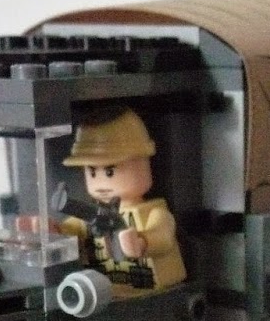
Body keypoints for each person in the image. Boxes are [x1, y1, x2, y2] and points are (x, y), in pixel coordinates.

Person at [57, 108, 186, 295]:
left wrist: (142, 243)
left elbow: (163, 237)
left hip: (154, 291)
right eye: (92, 171)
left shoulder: (154, 212)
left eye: (110, 172)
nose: (101, 184)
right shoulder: (92, 214)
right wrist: (51, 232)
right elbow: (70, 230)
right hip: (104, 292)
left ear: (144, 164)